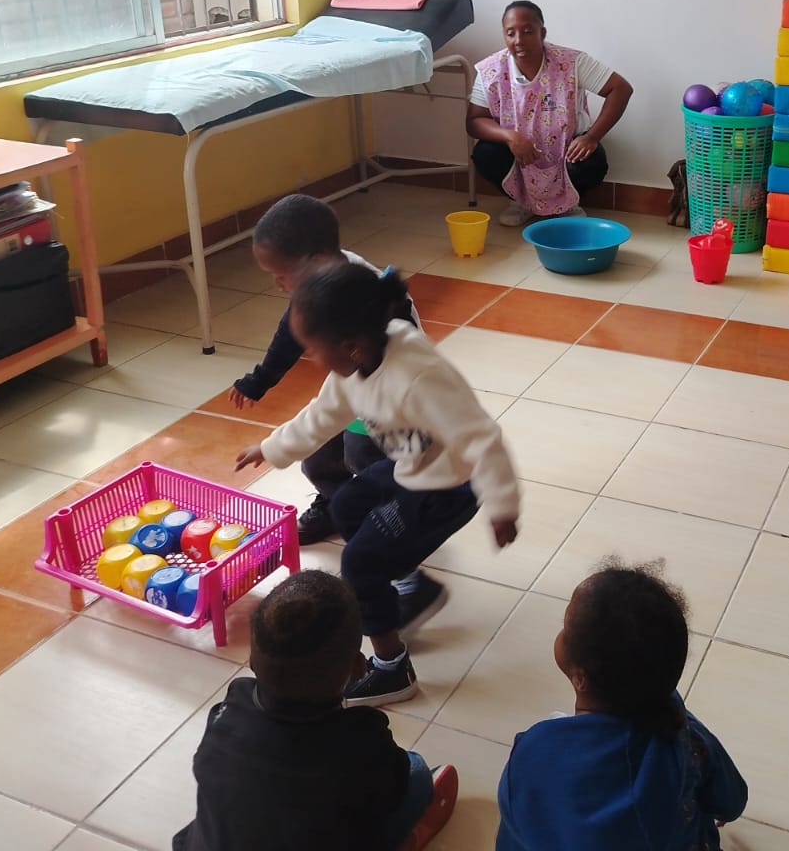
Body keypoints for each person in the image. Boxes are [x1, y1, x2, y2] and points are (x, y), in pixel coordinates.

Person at [236, 262, 521, 706]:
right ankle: (407, 581)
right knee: (346, 505)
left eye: (312, 349)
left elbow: (481, 437)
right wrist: (270, 448)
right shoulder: (353, 366)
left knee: (360, 564)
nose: (310, 358)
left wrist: (502, 505)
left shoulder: (419, 375)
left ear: (349, 346)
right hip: (411, 466)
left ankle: (392, 668)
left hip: (450, 485)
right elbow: (321, 415)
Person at [173, 570, 458, 851]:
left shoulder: (233, 702)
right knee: (416, 770)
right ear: (358, 668)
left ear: (251, 661)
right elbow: (393, 789)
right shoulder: (363, 735)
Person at [226, 195, 427, 564]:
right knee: (317, 458)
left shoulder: (369, 306)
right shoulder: (320, 285)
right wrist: (260, 381)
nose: (277, 284)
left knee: (363, 453)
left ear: (317, 260)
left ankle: (394, 520)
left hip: (391, 396)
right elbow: (291, 339)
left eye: (281, 275)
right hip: (352, 383)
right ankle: (336, 503)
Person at [496, 559, 748, 850]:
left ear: (580, 677)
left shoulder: (537, 752)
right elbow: (731, 795)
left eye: (564, 627)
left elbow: (515, 831)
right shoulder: (679, 730)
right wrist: (725, 808)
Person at [466, 0, 633, 227]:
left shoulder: (572, 62)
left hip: (566, 151)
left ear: (542, 33)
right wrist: (511, 137)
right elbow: (474, 121)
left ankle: (568, 205)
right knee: (486, 153)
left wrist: (592, 137)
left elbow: (620, 89)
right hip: (519, 154)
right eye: (511, 33)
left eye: (527, 31)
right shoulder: (490, 70)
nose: (518, 40)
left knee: (591, 162)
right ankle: (520, 203)